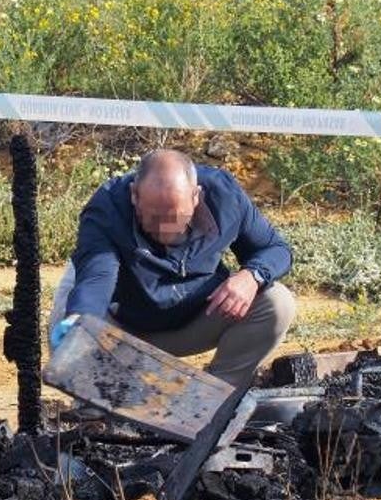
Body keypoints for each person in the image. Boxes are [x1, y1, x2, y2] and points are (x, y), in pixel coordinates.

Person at [48, 149, 297, 389]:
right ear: (134, 195)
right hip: (124, 326)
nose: (166, 227)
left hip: (194, 315)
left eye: (176, 216)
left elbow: (276, 249)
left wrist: (251, 276)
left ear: (196, 196)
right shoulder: (108, 208)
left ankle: (216, 396)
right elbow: (97, 276)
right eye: (154, 217)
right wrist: (80, 321)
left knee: (277, 302)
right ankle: (102, 402)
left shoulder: (224, 197)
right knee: (73, 322)